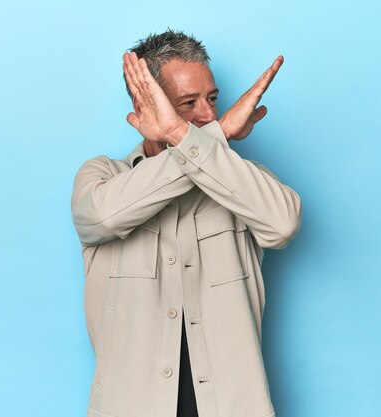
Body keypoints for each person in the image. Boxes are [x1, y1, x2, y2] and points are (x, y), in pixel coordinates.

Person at [71, 29, 301, 417]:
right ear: (145, 103)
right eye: (188, 103)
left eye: (211, 99)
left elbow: (283, 224)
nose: (209, 115)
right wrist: (218, 136)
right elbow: (104, 217)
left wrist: (183, 134)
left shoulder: (240, 181)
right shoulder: (102, 178)